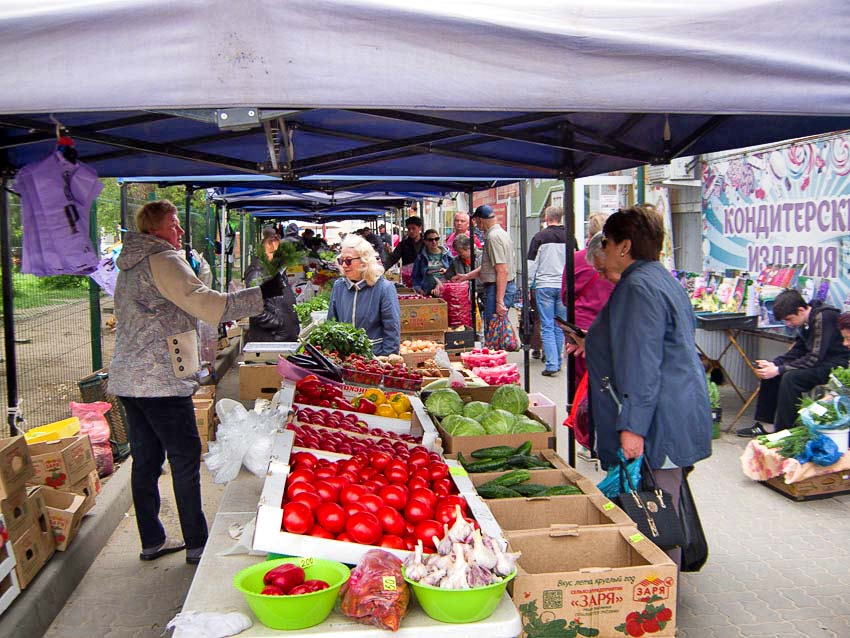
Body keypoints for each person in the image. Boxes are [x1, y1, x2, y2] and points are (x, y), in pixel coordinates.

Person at [108, 200, 276, 565]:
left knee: (146, 460)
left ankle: (151, 540)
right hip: (160, 381)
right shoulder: (163, 259)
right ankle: (197, 542)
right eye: (174, 225)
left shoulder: (129, 263)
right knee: (184, 458)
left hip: (128, 378)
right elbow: (209, 305)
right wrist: (264, 294)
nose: (180, 232)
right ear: (155, 229)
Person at [585, 205, 712, 567]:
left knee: (656, 514)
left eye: (606, 243)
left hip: (660, 417)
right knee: (661, 502)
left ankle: (659, 599)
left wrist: (632, 428)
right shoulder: (662, 278)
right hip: (678, 408)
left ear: (624, 246)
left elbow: (643, 364)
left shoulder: (637, 286)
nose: (604, 250)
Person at [736, 289, 850, 437]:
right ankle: (766, 425)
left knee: (791, 378)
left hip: (834, 364)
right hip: (819, 362)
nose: (788, 324)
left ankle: (785, 431)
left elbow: (814, 357)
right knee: (771, 374)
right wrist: (774, 365)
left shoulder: (823, 317)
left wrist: (780, 369)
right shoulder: (806, 321)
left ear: (801, 310)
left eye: (789, 319)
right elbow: (797, 351)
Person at [561, 214, 615, 381]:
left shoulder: (576, 259)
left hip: (581, 330)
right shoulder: (620, 263)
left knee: (582, 385)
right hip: (611, 328)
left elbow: (565, 297)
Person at [327, 235, 401, 355]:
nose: (344, 265)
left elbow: (392, 329)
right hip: (345, 359)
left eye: (348, 261)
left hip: (374, 359)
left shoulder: (384, 288)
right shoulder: (338, 286)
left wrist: (386, 362)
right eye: (341, 260)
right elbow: (331, 323)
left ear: (364, 261)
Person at [452, 205, 516, 334]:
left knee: (493, 332)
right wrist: (466, 276)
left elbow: (502, 270)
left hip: (497, 288)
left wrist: (499, 301)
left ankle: (494, 353)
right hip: (500, 287)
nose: (476, 225)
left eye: (475, 221)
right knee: (495, 331)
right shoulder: (500, 233)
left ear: (480, 220)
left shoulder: (493, 237)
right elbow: (489, 266)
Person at [528, 206, 568, 377]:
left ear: (546, 217)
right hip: (563, 285)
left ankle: (551, 363)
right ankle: (557, 361)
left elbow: (532, 264)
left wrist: (529, 284)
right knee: (560, 325)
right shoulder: (570, 236)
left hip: (544, 285)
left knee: (547, 325)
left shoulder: (539, 237)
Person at [243, 227, 301, 343]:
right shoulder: (258, 273)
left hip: (281, 339)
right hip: (271, 340)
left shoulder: (276, 270)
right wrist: (281, 324)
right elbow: (256, 310)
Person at [384, 216, 424, 287]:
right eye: (409, 229)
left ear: (420, 228)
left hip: (425, 278)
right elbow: (392, 258)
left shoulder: (427, 242)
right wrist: (381, 269)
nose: (411, 231)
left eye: (413, 228)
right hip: (409, 279)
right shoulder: (403, 244)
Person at [412, 229, 452, 296]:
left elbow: (453, 273)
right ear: (425, 241)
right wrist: (419, 289)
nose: (434, 242)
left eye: (436, 239)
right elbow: (415, 277)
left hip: (445, 291)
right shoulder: (421, 257)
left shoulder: (447, 255)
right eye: (430, 240)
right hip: (427, 293)